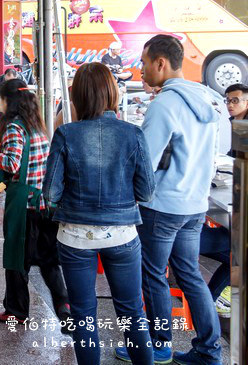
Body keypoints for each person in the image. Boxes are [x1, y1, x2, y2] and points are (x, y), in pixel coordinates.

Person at [117, 34, 223, 365]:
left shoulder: (164, 104)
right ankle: (209, 350)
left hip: (162, 208)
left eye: (145, 63)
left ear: (161, 63)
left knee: (153, 274)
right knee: (191, 275)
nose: (142, 70)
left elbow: (144, 164)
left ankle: (160, 345)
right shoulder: (208, 98)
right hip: (195, 205)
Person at [44, 62, 155, 365]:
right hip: (122, 234)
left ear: (77, 96)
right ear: (112, 92)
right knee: (132, 312)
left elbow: (50, 194)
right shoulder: (133, 134)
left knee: (83, 314)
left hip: (75, 237)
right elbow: (146, 193)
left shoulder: (66, 134)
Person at [0, 79, 70, 328]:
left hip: (24, 206)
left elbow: (12, 164)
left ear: (9, 101)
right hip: (45, 204)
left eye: (1, 99)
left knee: (17, 260)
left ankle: (16, 311)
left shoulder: (13, 128)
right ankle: (65, 307)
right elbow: (20, 158)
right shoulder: (36, 126)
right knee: (48, 261)